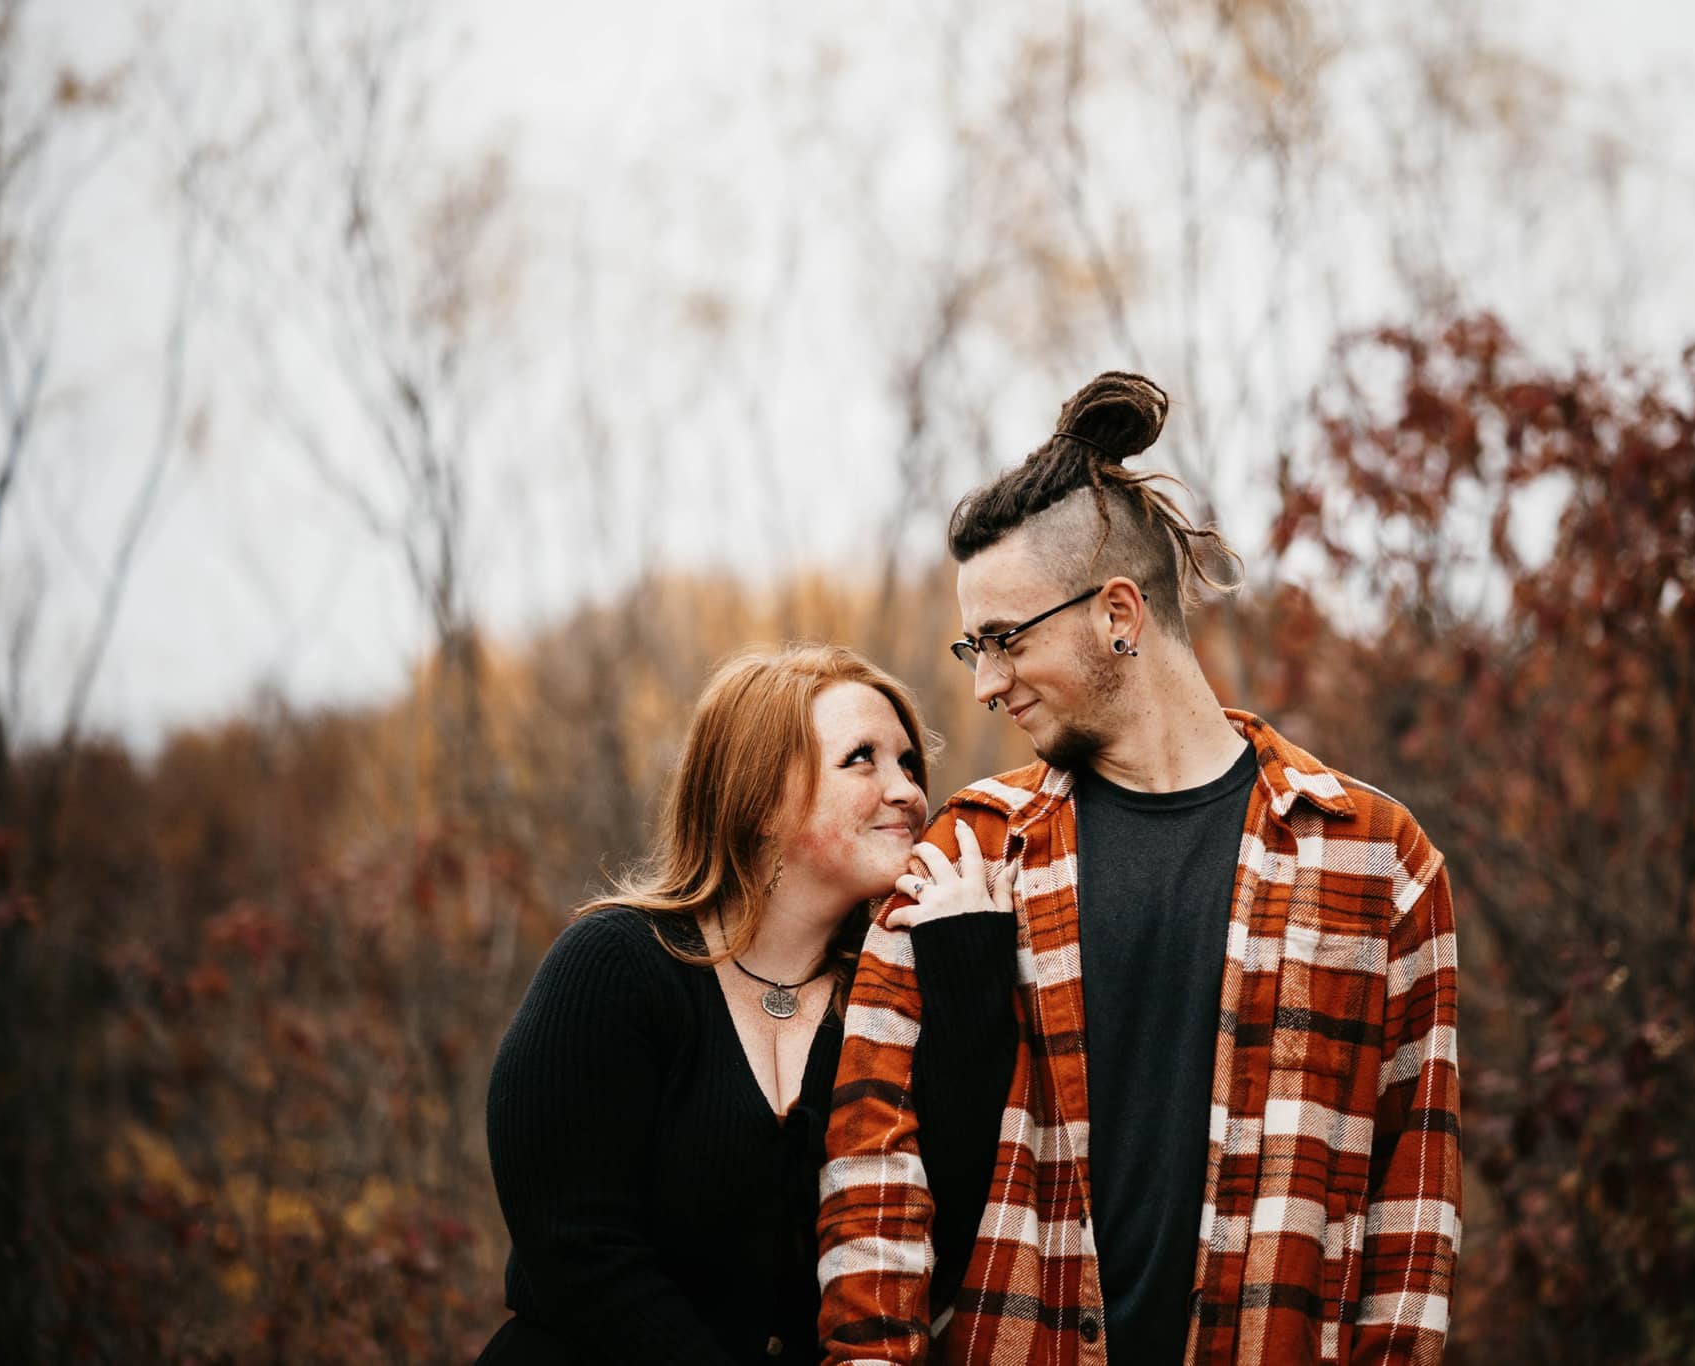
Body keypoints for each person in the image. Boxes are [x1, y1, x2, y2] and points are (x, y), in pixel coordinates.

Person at [818, 374, 1462, 1365]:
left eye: (1003, 640)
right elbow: (874, 1186)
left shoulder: (1376, 861)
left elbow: (1408, 1224)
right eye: (970, 646)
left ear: (1118, 611)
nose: (983, 683)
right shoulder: (966, 856)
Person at [478, 644, 1018, 1366]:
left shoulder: (888, 995)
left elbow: (943, 1234)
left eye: (910, 763)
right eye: (863, 759)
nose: (909, 792)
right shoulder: (616, 966)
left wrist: (969, 969)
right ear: (759, 799)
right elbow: (576, 1249)